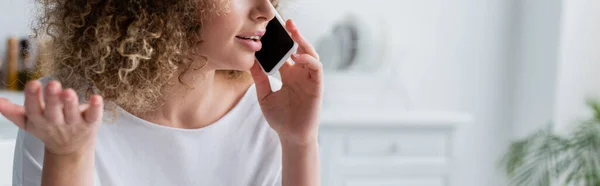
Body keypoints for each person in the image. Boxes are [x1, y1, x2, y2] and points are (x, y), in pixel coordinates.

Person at [0, 0, 323, 185]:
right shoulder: (65, 110)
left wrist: (299, 142)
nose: (265, 10)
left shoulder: (270, 109)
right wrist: (67, 155)